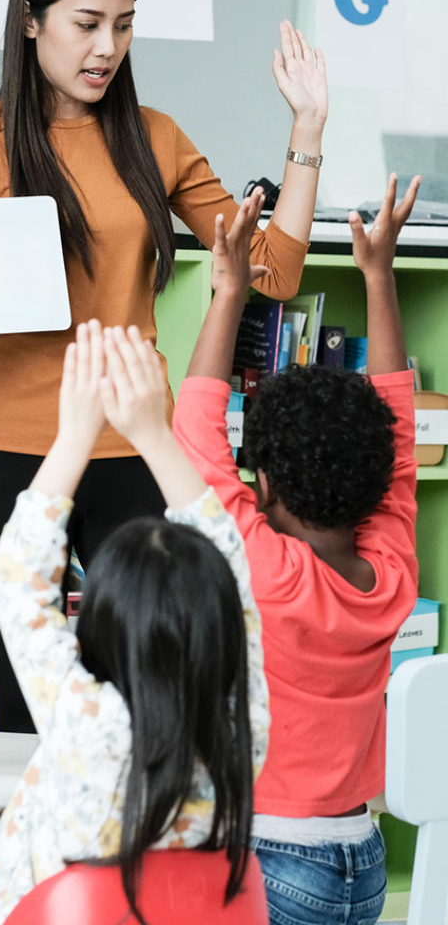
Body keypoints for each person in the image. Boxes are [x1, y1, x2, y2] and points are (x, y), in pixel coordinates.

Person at [0, 0, 328, 732]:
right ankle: (43, 865)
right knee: (27, 705)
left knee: (160, 694)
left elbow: (275, 270)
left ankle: (143, 861)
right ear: (32, 19)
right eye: (86, 24)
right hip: (12, 451)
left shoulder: (153, 138)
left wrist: (307, 131)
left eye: (123, 25)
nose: (106, 48)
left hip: (134, 447)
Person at [0, 321, 269, 925]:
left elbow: (16, 573)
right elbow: (232, 566)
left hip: (56, 912)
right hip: (171, 908)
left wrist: (73, 435)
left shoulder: (85, 721)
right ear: (222, 620)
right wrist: (152, 434)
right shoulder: (241, 723)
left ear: (100, 620)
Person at [172, 175, 422, 925]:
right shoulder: (391, 571)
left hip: (271, 859)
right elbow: (402, 436)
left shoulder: (268, 574)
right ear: (373, 480)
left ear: (269, 478)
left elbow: (194, 438)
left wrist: (227, 292)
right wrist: (378, 274)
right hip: (361, 859)